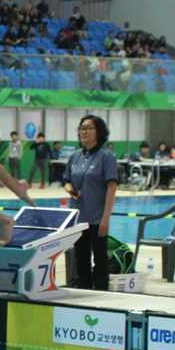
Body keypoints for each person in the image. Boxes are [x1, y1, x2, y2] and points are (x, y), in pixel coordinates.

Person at [63, 115, 118, 290]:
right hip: (79, 219)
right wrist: (69, 188)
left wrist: (106, 218)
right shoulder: (75, 156)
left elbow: (112, 187)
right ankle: (84, 292)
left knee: (100, 260)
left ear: (99, 132)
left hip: (97, 218)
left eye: (88, 128)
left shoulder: (106, 156)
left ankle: (102, 294)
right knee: (80, 259)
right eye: (81, 128)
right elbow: (66, 180)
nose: (84, 132)